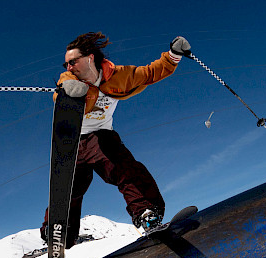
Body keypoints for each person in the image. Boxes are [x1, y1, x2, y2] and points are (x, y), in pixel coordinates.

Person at [40, 32, 190, 246]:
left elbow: (149, 73)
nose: (68, 68)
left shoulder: (118, 75)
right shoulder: (69, 79)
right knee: (70, 188)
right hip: (70, 142)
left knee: (123, 168)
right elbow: (60, 94)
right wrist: (67, 94)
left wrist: (174, 55)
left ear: (90, 58)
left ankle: (145, 211)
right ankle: (59, 231)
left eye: (72, 62)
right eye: (66, 65)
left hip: (100, 136)